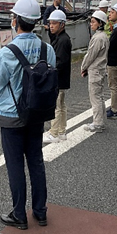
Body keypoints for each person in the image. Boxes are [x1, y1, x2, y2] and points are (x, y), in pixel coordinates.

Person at [0, 0, 55, 229]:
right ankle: (40, 211)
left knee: (15, 165)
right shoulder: (47, 50)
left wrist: (9, 105)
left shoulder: (7, 53)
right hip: (37, 114)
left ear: (16, 21)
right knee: (36, 161)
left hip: (11, 117)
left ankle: (19, 214)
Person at [44, 10, 71, 144]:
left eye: (54, 23)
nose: (51, 26)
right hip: (63, 79)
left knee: (56, 106)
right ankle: (61, 131)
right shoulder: (61, 38)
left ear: (62, 24)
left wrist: (49, 72)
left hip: (59, 79)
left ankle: (54, 133)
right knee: (61, 105)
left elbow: (60, 62)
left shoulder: (62, 40)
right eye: (50, 23)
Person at [81, 10, 109, 133]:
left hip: (95, 69)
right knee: (100, 95)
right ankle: (101, 120)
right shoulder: (104, 37)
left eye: (93, 22)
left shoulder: (98, 38)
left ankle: (98, 123)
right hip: (101, 69)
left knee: (95, 97)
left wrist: (83, 67)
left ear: (100, 23)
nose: (91, 24)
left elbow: (90, 55)